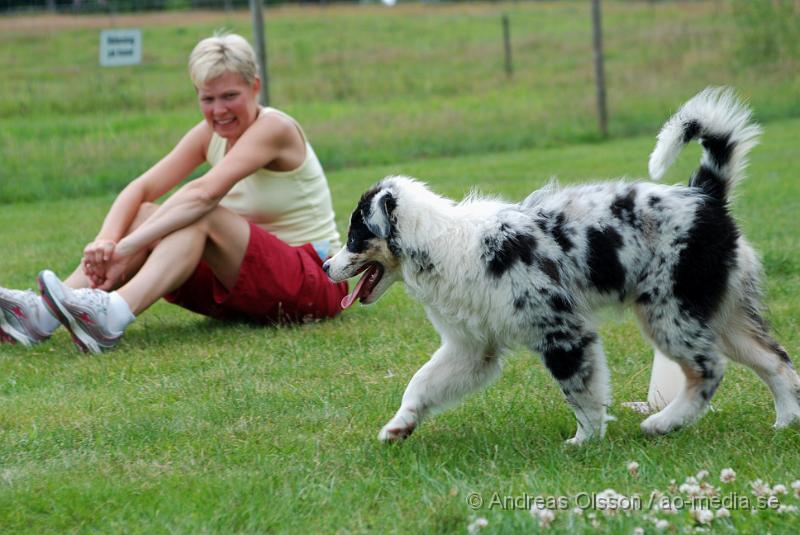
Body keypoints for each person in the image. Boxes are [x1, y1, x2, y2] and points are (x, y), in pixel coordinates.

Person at [0, 32, 347, 354]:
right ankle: (41, 316)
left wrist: (128, 248)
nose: (219, 110)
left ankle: (112, 315)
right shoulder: (208, 134)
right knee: (145, 213)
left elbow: (203, 195)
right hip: (247, 287)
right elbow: (141, 188)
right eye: (207, 99)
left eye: (230, 96)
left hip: (314, 283)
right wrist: (107, 241)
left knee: (202, 214)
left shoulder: (274, 128)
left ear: (255, 87)